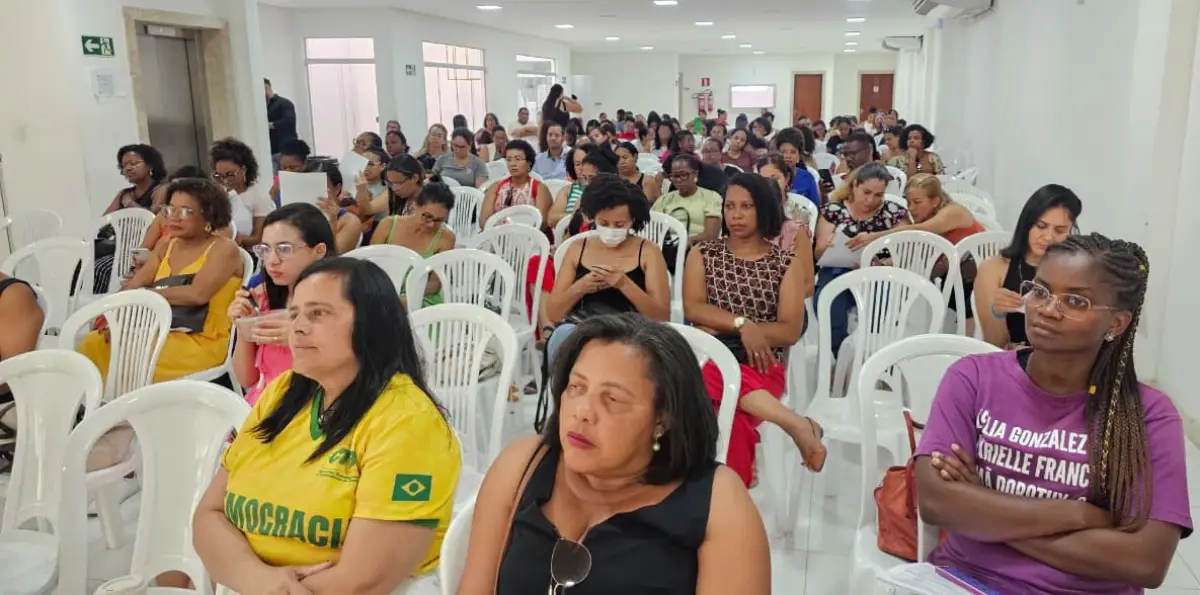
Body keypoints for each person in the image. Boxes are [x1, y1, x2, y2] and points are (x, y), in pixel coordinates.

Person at [915, 234, 1189, 594]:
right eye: (1040, 291)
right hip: (967, 579)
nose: (1046, 309)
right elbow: (936, 503)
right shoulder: (974, 378)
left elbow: (1145, 562)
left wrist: (984, 507)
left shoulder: (1148, 415)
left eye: (1075, 301)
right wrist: (1077, 515)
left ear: (1116, 324)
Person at [194, 257, 461, 595]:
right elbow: (209, 515)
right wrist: (257, 578)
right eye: (294, 314)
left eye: (318, 313)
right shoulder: (282, 393)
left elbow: (362, 579)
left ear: (372, 324)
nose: (298, 327)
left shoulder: (408, 421)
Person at [456, 313, 769, 594]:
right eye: (576, 388)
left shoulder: (718, 503)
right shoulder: (522, 465)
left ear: (662, 419)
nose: (582, 412)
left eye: (613, 399)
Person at [683, 172, 821, 485]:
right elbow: (694, 308)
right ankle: (797, 425)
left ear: (764, 209)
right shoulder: (704, 254)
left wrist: (727, 327)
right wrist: (743, 325)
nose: (736, 215)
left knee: (714, 382)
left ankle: (722, 493)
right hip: (710, 357)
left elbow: (789, 331)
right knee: (726, 404)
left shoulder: (785, 263)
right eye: (729, 206)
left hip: (761, 364)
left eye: (746, 206)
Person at [77, 177, 244, 383]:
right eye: (169, 210)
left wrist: (146, 297)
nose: (174, 218)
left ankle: (129, 402)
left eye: (185, 211)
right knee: (94, 342)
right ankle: (100, 401)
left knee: (127, 353)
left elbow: (197, 294)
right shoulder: (168, 244)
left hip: (201, 340)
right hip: (161, 330)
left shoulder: (224, 248)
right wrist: (114, 313)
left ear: (209, 215)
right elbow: (135, 284)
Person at [544, 174, 671, 360]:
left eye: (619, 225)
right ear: (593, 217)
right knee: (562, 336)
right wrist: (581, 287)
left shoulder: (647, 252)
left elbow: (661, 316)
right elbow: (554, 313)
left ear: (633, 220)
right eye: (603, 223)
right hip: (581, 329)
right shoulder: (578, 249)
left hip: (631, 333)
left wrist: (624, 284)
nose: (611, 230)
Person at [849, 173, 985, 331]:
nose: (911, 208)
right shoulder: (928, 217)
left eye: (917, 202)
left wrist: (874, 236)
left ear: (935, 201)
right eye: (908, 202)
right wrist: (883, 264)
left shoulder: (952, 212)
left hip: (976, 276)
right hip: (950, 277)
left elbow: (919, 231)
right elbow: (916, 254)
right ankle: (877, 330)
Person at [228, 203, 335, 404]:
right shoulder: (264, 298)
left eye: (284, 249)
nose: (272, 260)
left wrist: (303, 341)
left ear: (319, 250)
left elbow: (349, 377)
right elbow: (247, 379)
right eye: (265, 249)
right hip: (265, 404)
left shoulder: (340, 304)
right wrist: (244, 327)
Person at [813, 164, 910, 356]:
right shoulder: (834, 211)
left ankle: (871, 353)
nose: (871, 200)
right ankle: (841, 356)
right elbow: (819, 253)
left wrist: (881, 260)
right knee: (830, 305)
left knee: (880, 309)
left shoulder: (892, 212)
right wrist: (832, 245)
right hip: (838, 270)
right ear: (855, 185)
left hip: (878, 275)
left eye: (878, 195)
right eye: (866, 192)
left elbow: (906, 247)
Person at [975, 185, 1082, 349]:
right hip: (1009, 359)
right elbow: (993, 344)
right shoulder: (993, 269)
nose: (1048, 237)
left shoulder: (1074, 273)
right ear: (1027, 225)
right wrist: (997, 313)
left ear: (1070, 232)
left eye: (1059, 230)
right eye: (1041, 226)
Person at [369, 176, 457, 308]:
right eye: (427, 216)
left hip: (421, 296)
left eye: (439, 220)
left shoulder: (446, 237)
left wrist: (405, 295)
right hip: (384, 291)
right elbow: (370, 267)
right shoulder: (388, 225)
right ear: (415, 205)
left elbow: (434, 284)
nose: (431, 224)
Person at [211, 138, 275, 249]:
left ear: (243, 170)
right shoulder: (219, 195)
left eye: (230, 175)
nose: (225, 180)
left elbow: (258, 238)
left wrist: (233, 238)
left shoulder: (259, 197)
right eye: (219, 176)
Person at [480, 140, 552, 229]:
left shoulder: (539, 188)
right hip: (499, 235)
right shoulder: (496, 187)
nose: (512, 164)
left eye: (517, 159)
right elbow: (484, 221)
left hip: (529, 235)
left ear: (529, 162)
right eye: (509, 159)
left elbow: (542, 222)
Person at [652, 154, 722, 242]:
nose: (678, 180)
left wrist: (683, 242)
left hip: (700, 246)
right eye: (674, 176)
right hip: (667, 245)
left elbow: (710, 235)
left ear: (695, 174)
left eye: (683, 175)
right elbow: (652, 229)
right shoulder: (665, 199)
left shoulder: (711, 197)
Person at [755, 155, 813, 255]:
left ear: (786, 178)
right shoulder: (753, 209)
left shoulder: (801, 209)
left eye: (775, 179)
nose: (769, 184)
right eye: (764, 180)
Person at [106, 144, 169, 214]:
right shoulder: (123, 194)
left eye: (133, 163)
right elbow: (106, 218)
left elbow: (151, 217)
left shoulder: (161, 189)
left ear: (150, 165)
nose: (128, 168)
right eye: (124, 166)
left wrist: (129, 203)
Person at [548, 144, 600, 229]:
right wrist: (576, 215)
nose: (581, 168)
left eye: (585, 163)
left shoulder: (604, 188)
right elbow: (551, 219)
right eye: (577, 164)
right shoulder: (567, 190)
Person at [319, 166, 366, 254]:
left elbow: (334, 257)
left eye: (321, 186)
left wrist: (332, 222)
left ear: (337, 188)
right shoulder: (300, 214)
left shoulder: (350, 221)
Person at [771, 128, 821, 205]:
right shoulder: (772, 177)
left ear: (799, 156)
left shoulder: (808, 178)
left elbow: (815, 206)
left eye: (793, 152)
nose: (788, 156)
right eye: (783, 152)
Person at [265, 78, 297, 157]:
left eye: (265, 89)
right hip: (271, 150)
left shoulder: (284, 103)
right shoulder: (263, 107)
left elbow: (289, 121)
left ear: (269, 87)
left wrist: (271, 125)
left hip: (285, 149)